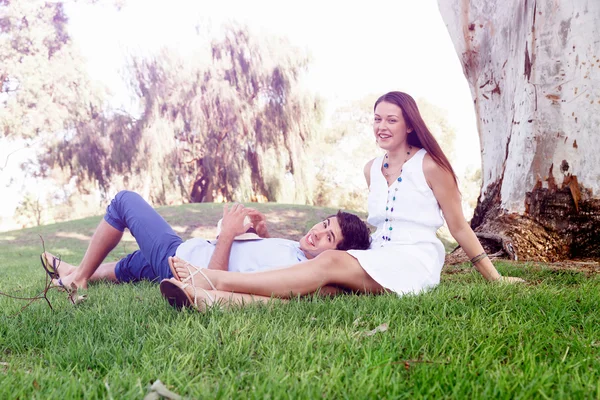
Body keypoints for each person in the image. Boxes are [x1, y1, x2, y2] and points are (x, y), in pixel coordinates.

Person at [160, 91, 524, 311]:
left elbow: (459, 227)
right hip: (377, 255)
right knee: (326, 290)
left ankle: (217, 280)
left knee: (331, 261)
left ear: (409, 125)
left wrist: (495, 279)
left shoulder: (431, 166)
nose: (381, 126)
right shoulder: (370, 169)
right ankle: (212, 301)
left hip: (413, 259)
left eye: (391, 120)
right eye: (377, 119)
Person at [41, 190, 372, 290]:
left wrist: (227, 234)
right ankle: (77, 269)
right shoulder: (298, 253)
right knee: (136, 264)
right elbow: (255, 256)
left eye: (328, 237)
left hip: (187, 263)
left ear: (339, 255)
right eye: (324, 224)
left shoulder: (294, 270)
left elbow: (213, 281)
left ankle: (79, 278)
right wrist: (261, 233)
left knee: (124, 202)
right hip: (185, 250)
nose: (317, 232)